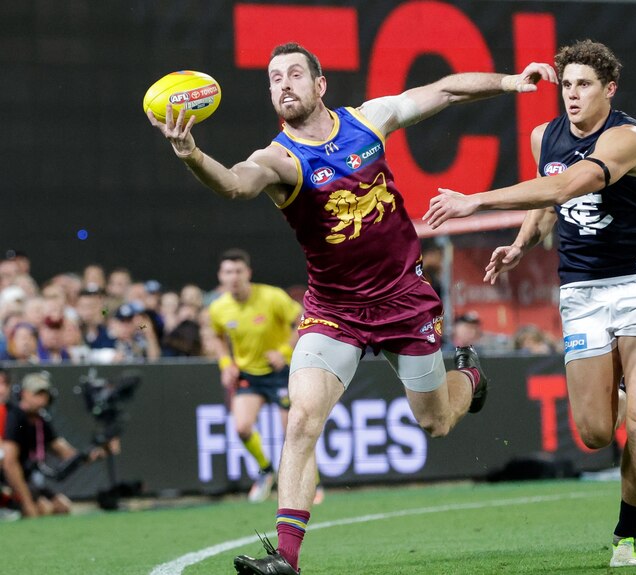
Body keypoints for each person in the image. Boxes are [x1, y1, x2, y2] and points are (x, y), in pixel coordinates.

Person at [148, 41, 554, 575]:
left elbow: (445, 89)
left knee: (435, 424)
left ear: (320, 86)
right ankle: (286, 560)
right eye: (275, 78)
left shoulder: (368, 121)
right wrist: (192, 155)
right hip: (333, 310)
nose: (284, 84)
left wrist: (509, 81)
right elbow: (234, 185)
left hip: (406, 301)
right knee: (302, 422)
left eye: (295, 74)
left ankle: (470, 380)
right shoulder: (279, 159)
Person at [425, 40, 636, 567]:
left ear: (609, 89)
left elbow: (570, 184)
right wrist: (520, 244)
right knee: (594, 434)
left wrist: (477, 201)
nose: (572, 94)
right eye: (566, 85)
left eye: (584, 84)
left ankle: (628, 534)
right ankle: (635, 389)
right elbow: (545, 203)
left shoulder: (629, 137)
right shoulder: (545, 136)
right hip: (582, 292)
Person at [207, 248, 305, 502]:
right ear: (221, 276)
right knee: (241, 427)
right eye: (228, 272)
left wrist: (284, 351)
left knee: (293, 431)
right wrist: (226, 363)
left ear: (248, 273)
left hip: (281, 371)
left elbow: (304, 319)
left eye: (239, 271)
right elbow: (216, 337)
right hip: (249, 373)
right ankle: (265, 470)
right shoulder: (219, 308)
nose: (234, 277)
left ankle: (309, 482)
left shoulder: (272, 297)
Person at [1, 372, 104, 518]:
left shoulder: (41, 421)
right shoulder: (15, 417)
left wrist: (89, 455)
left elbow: (63, 450)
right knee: (44, 508)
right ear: (24, 394)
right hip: (11, 484)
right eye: (37, 393)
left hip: (29, 480)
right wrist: (27, 503)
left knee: (62, 506)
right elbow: (9, 464)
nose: (42, 398)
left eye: (45, 394)